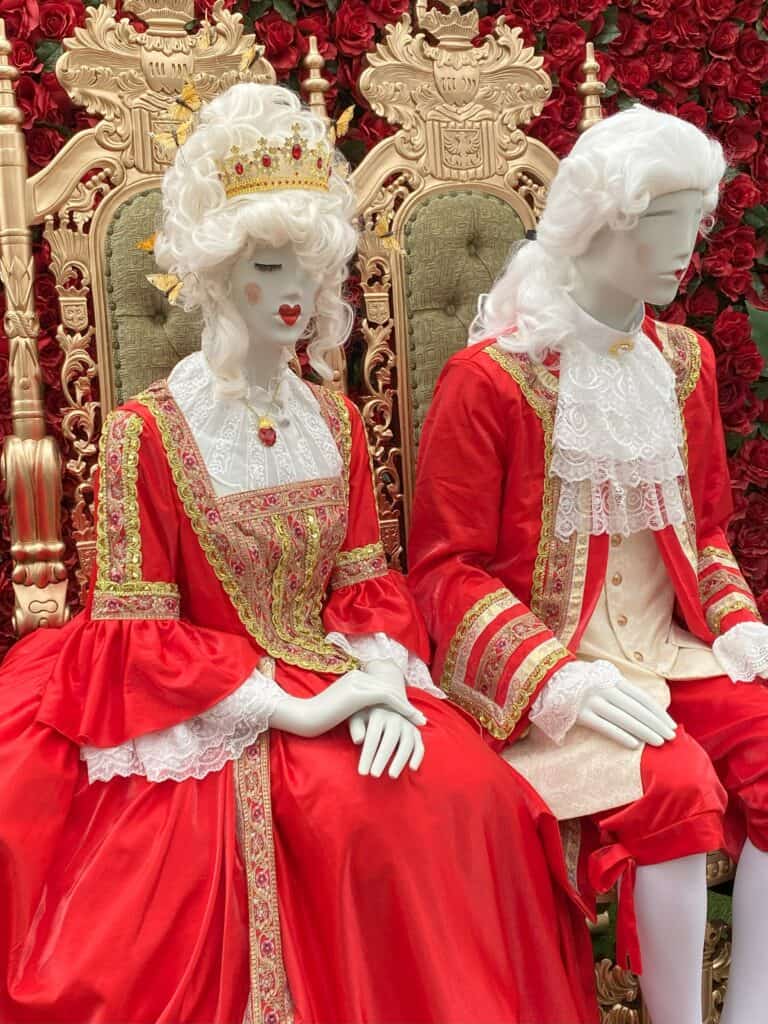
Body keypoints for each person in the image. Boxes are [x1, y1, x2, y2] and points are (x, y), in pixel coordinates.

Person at [0, 83, 598, 1024]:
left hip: (337, 677)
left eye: (307, 272)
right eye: (268, 267)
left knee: (469, 791)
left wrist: (378, 688)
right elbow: (135, 633)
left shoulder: (336, 419)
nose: (294, 295)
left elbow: (366, 587)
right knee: (351, 817)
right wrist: (299, 710)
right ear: (214, 274)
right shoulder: (145, 434)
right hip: (198, 705)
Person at [408, 104, 768, 1024]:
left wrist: (737, 622)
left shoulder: (682, 364)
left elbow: (710, 530)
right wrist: (553, 678)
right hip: (560, 673)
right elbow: (446, 570)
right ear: (605, 221)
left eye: (696, 217)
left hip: (671, 650)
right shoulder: (493, 378)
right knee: (678, 787)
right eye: (666, 218)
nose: (688, 244)